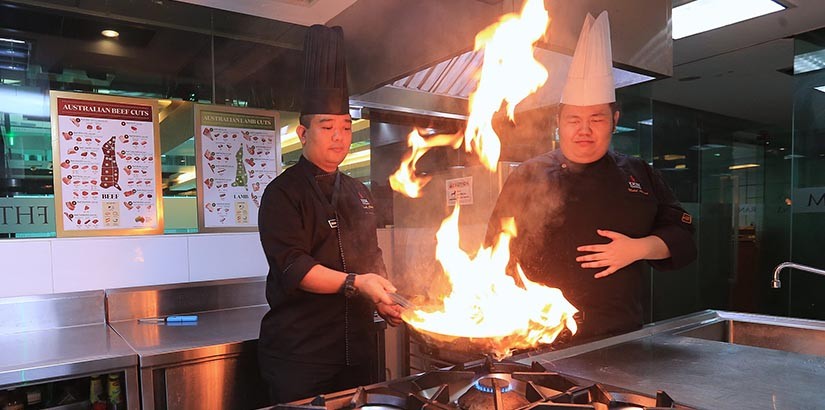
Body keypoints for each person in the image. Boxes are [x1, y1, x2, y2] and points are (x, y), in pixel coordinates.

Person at [485, 12, 696, 340]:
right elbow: (495, 251)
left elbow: (684, 237)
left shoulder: (640, 174)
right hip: (540, 340)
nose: (584, 130)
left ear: (614, 120)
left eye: (596, 118)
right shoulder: (529, 174)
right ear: (559, 121)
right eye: (573, 119)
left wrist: (638, 248)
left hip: (620, 338)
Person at [257, 25, 402, 403]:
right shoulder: (282, 194)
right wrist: (359, 283)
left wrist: (383, 297)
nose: (339, 136)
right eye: (327, 127)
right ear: (303, 133)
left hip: (358, 355)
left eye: (345, 127)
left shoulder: (358, 190)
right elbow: (294, 268)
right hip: (300, 358)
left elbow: (372, 257)